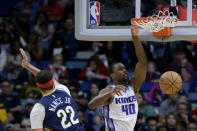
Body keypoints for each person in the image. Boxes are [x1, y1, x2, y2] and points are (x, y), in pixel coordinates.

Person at [88, 26, 147, 131]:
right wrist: (110, 94)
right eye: (119, 69)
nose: (124, 70)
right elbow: (91, 105)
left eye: (124, 68)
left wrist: (135, 39)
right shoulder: (109, 90)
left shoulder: (133, 86)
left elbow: (142, 63)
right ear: (112, 75)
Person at [19, 48, 84, 131]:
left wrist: (27, 65)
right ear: (52, 81)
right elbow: (44, 76)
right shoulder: (64, 90)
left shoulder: (39, 108)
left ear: (38, 85)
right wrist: (27, 65)